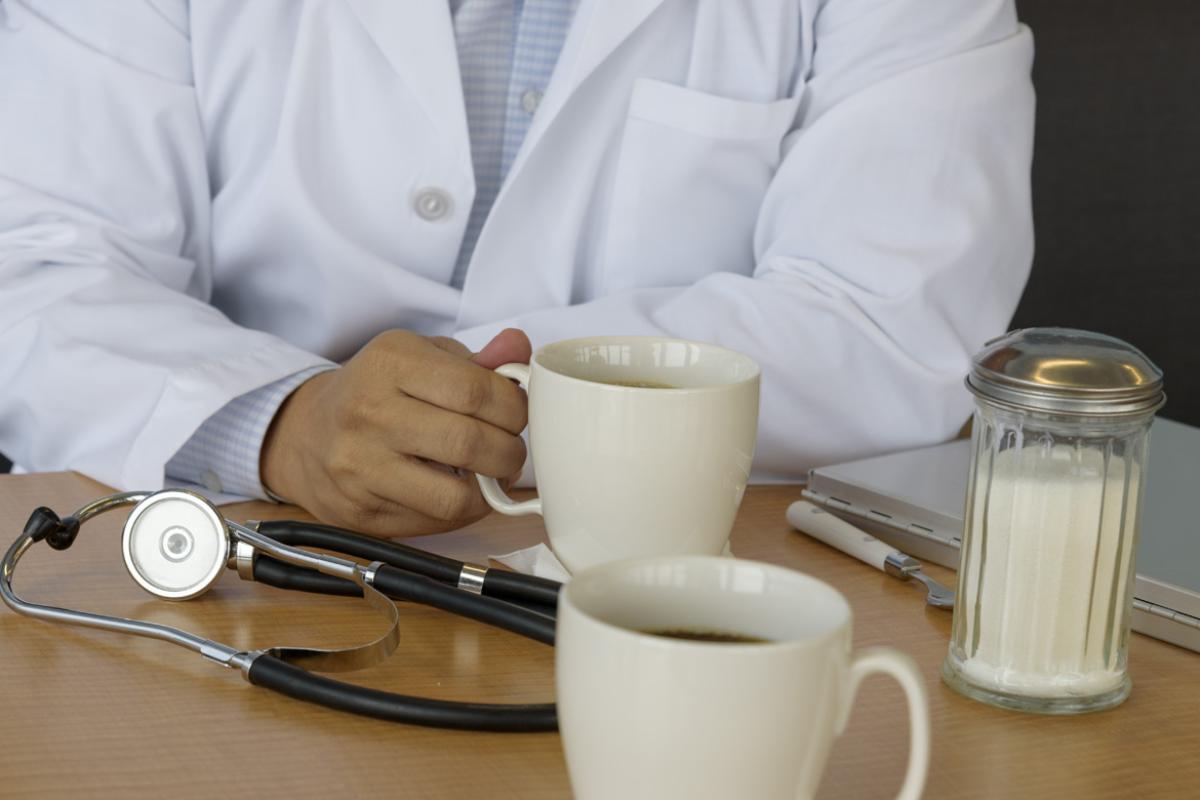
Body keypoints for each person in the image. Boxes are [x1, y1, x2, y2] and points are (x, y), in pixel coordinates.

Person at [0, 1, 1035, 537]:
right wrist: (283, 422)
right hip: (245, 560)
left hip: (698, 597)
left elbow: (890, 321)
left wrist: (457, 409)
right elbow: (36, 264)